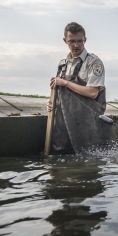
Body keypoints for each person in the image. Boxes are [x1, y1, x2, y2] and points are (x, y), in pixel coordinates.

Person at [47, 22, 106, 154]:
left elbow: (93, 93)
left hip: (86, 123)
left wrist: (66, 83)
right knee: (59, 157)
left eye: (80, 41)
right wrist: (51, 103)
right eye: (72, 41)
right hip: (63, 123)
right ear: (65, 41)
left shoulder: (94, 62)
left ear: (85, 40)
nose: (76, 45)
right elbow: (59, 91)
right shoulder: (62, 64)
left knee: (87, 159)